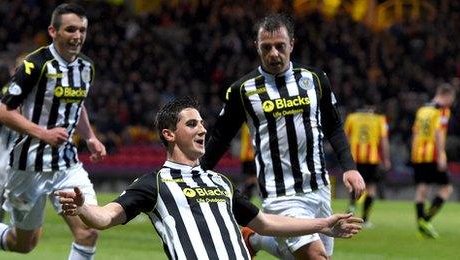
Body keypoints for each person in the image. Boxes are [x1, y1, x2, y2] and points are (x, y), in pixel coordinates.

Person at [56, 96, 363, 259]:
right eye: (192, 124)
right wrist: (82, 208)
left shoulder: (220, 182)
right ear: (169, 134)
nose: (203, 129)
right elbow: (106, 217)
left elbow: (266, 223)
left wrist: (323, 224)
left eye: (202, 124)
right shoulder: (155, 183)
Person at [0, 3, 107, 260]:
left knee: (88, 232)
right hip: (28, 166)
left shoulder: (86, 67)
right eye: (71, 29)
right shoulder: (35, 64)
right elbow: (3, 112)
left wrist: (90, 137)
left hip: (67, 166)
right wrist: (43, 133)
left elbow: (77, 104)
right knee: (24, 243)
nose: (78, 36)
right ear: (53, 31)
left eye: (82, 30)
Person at [200, 13, 365, 259]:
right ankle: (259, 235)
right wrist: (195, 175)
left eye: (280, 46)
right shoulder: (242, 91)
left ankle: (255, 237)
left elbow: (333, 126)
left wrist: (349, 168)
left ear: (292, 45)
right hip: (280, 194)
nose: (274, 54)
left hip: (319, 188)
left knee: (300, 255)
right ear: (257, 47)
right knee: (315, 257)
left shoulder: (315, 79)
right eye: (266, 48)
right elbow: (220, 139)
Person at [410, 83, 456, 239]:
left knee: (422, 190)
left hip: (418, 154)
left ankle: (421, 227)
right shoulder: (442, 110)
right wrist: (442, 154)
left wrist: (413, 153)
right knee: (446, 189)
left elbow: (415, 133)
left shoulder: (422, 110)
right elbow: (439, 132)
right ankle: (425, 220)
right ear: (447, 95)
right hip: (432, 155)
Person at [0, 54, 27, 223]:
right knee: (6, 185)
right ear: (13, 71)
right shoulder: (6, 91)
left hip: (26, 144)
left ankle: (17, 226)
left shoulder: (36, 92)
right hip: (8, 145)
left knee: (19, 187)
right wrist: (10, 114)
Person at [344, 105, 391, 228]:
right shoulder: (379, 119)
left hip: (354, 158)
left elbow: (345, 139)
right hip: (372, 159)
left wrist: (345, 158)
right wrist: (386, 159)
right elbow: (384, 140)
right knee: (371, 188)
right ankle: (365, 219)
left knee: (354, 184)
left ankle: (351, 210)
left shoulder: (351, 118)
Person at [239, 123, 258, 199]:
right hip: (250, 157)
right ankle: (243, 195)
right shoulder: (249, 124)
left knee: (251, 179)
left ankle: (244, 195)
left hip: (247, 157)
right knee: (253, 179)